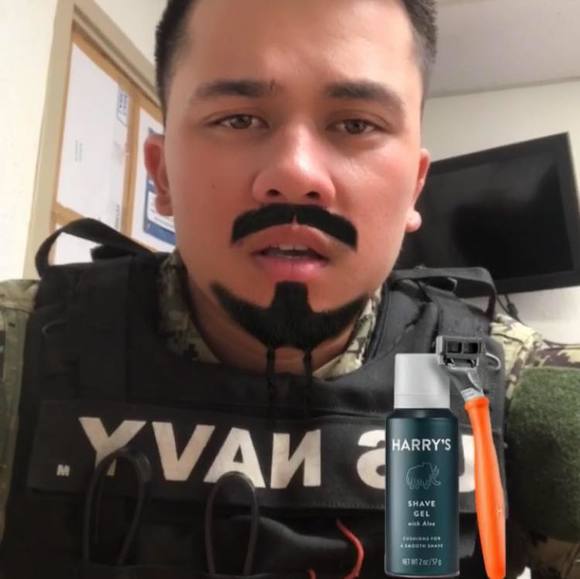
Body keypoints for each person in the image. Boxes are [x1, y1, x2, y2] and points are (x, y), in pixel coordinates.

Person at [0, 0, 579, 577]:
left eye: (356, 124)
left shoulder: (508, 381)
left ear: (414, 187)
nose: (297, 174)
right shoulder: (20, 354)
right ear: (162, 174)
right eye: (239, 119)